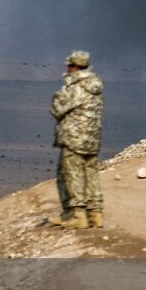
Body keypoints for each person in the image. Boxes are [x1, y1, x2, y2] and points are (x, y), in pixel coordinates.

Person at [47, 51, 105, 229]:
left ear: (73, 67)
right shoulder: (95, 86)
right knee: (91, 175)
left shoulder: (75, 87)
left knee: (70, 175)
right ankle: (95, 214)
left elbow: (57, 109)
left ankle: (77, 215)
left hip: (74, 139)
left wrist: (58, 95)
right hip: (92, 140)